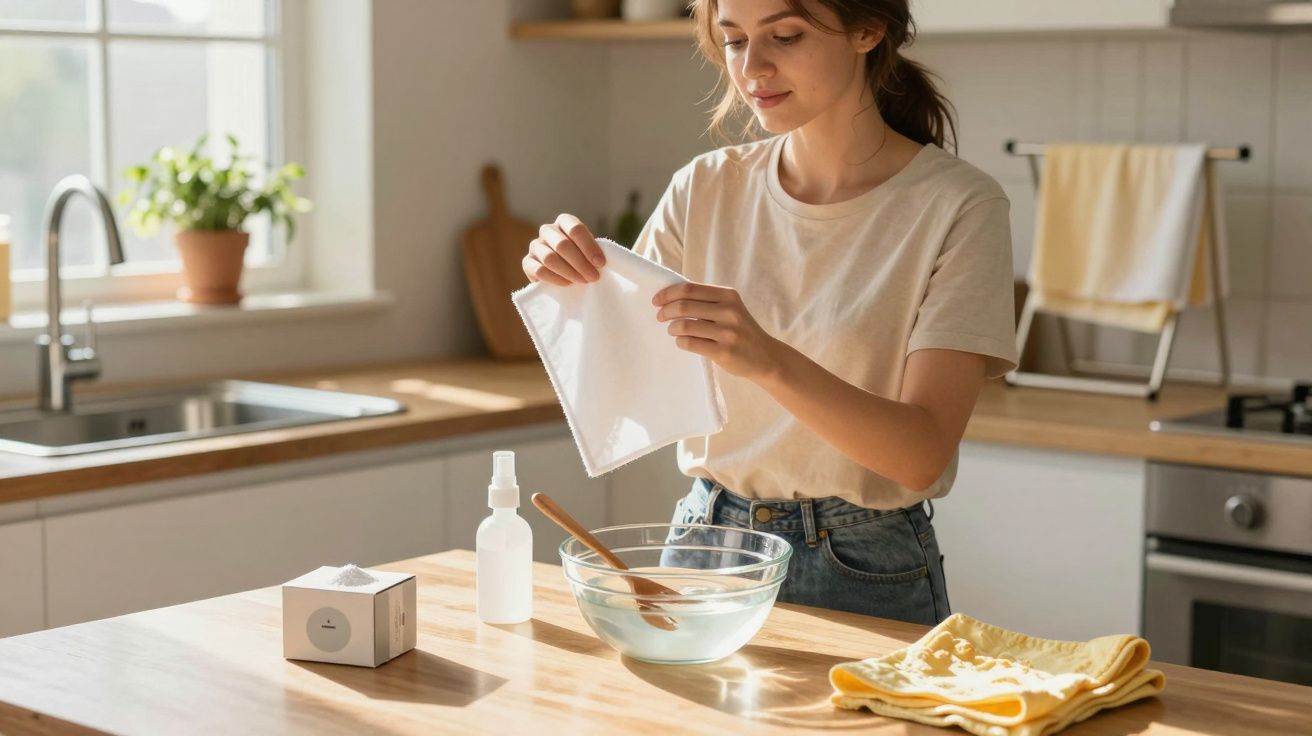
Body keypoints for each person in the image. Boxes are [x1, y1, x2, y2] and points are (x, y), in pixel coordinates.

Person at [521, 0, 1017, 626]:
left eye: (785, 35)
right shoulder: (703, 188)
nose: (753, 66)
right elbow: (618, 386)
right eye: (733, 41)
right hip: (705, 544)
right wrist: (568, 282)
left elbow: (919, 455)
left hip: (861, 563)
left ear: (868, 30)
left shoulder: (959, 206)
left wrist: (768, 360)